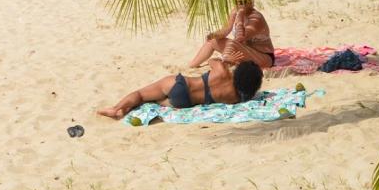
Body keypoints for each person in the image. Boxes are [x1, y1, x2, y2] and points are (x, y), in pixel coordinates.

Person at [96, 60, 263, 119]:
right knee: (153, 100)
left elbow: (213, 60)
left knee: (140, 94)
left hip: (181, 85)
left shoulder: (222, 71)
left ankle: (116, 109)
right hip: (185, 103)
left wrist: (227, 62)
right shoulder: (235, 97)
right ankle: (126, 108)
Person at [188, 0, 275, 69]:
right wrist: (215, 35)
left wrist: (240, 16)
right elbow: (226, 30)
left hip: (263, 57)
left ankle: (223, 64)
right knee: (212, 41)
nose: (239, 5)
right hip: (244, 51)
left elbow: (240, 38)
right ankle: (192, 65)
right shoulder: (234, 12)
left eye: (243, 2)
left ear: (250, 3)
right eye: (237, 2)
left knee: (232, 43)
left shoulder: (256, 18)